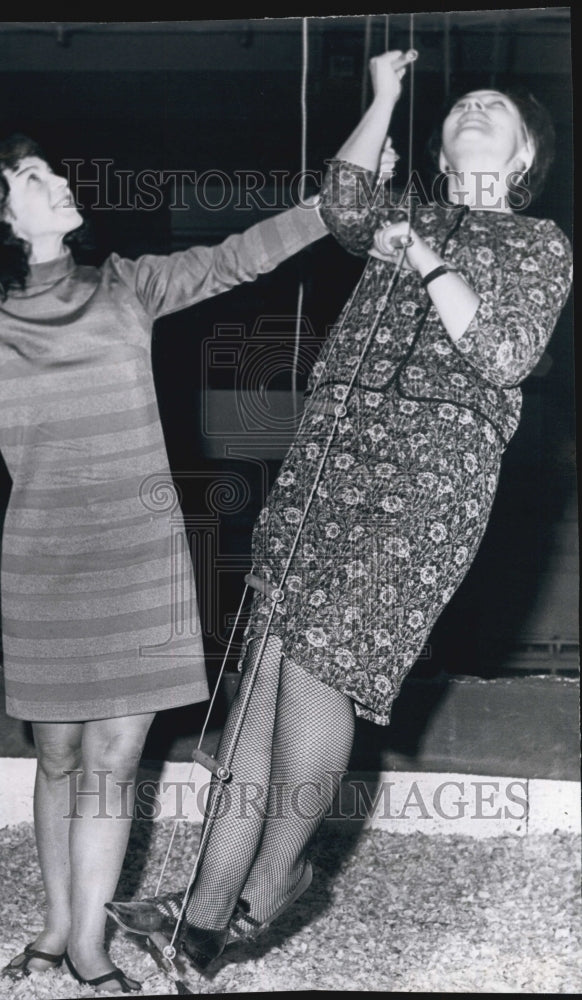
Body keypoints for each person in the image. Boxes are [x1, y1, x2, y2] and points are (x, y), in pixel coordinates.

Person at [0, 130, 339, 992]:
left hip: (143, 561)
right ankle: (58, 927)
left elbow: (240, 257)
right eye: (34, 177)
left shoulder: (126, 283)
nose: (61, 181)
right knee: (59, 754)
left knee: (112, 761)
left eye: (54, 170)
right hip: (44, 561)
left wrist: (329, 208)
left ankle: (91, 947)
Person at [105, 48, 573, 973]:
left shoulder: (540, 245)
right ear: (439, 152)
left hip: (423, 491)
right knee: (261, 690)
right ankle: (204, 909)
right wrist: (385, 96)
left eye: (494, 108)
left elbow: (506, 350)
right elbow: (349, 196)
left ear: (523, 158)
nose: (472, 107)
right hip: (326, 463)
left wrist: (428, 256)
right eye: (461, 105)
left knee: (320, 676)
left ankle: (269, 882)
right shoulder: (406, 212)